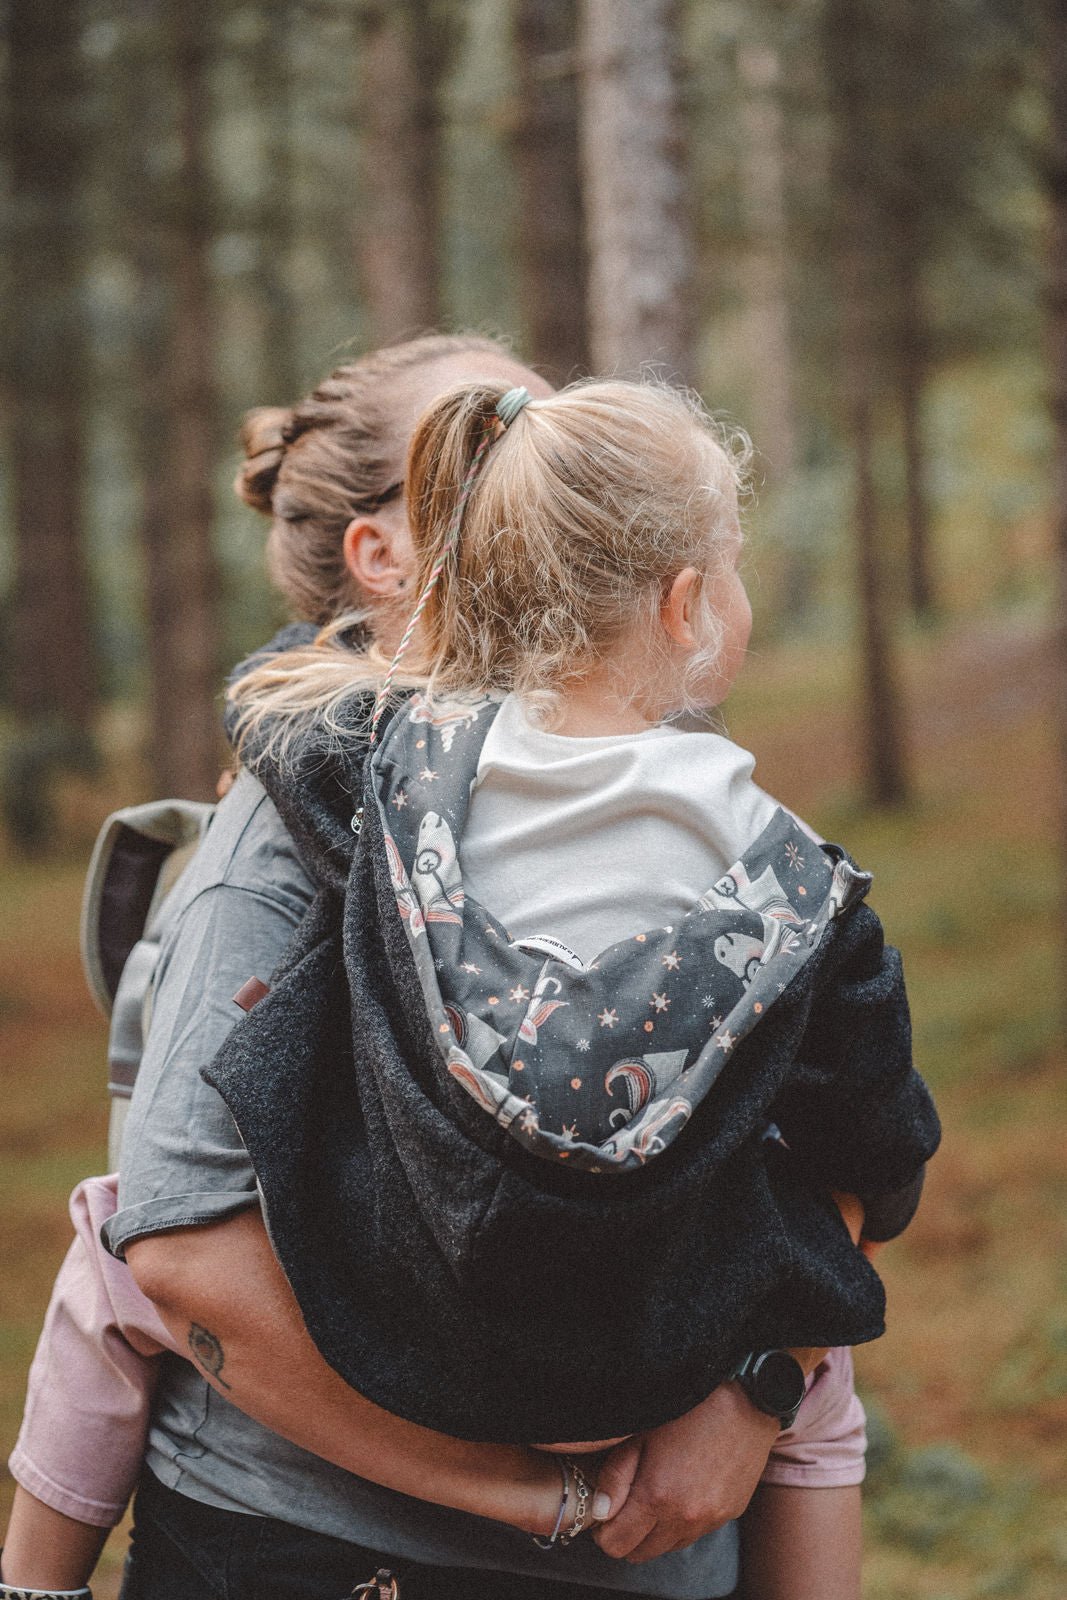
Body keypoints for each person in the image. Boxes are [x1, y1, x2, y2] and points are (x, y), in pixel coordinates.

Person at [0, 346, 928, 1600]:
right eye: (502, 458)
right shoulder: (763, 863)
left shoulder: (381, 787)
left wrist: (759, 1392)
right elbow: (178, 1243)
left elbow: (812, 1169)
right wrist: (550, 1494)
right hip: (326, 1547)